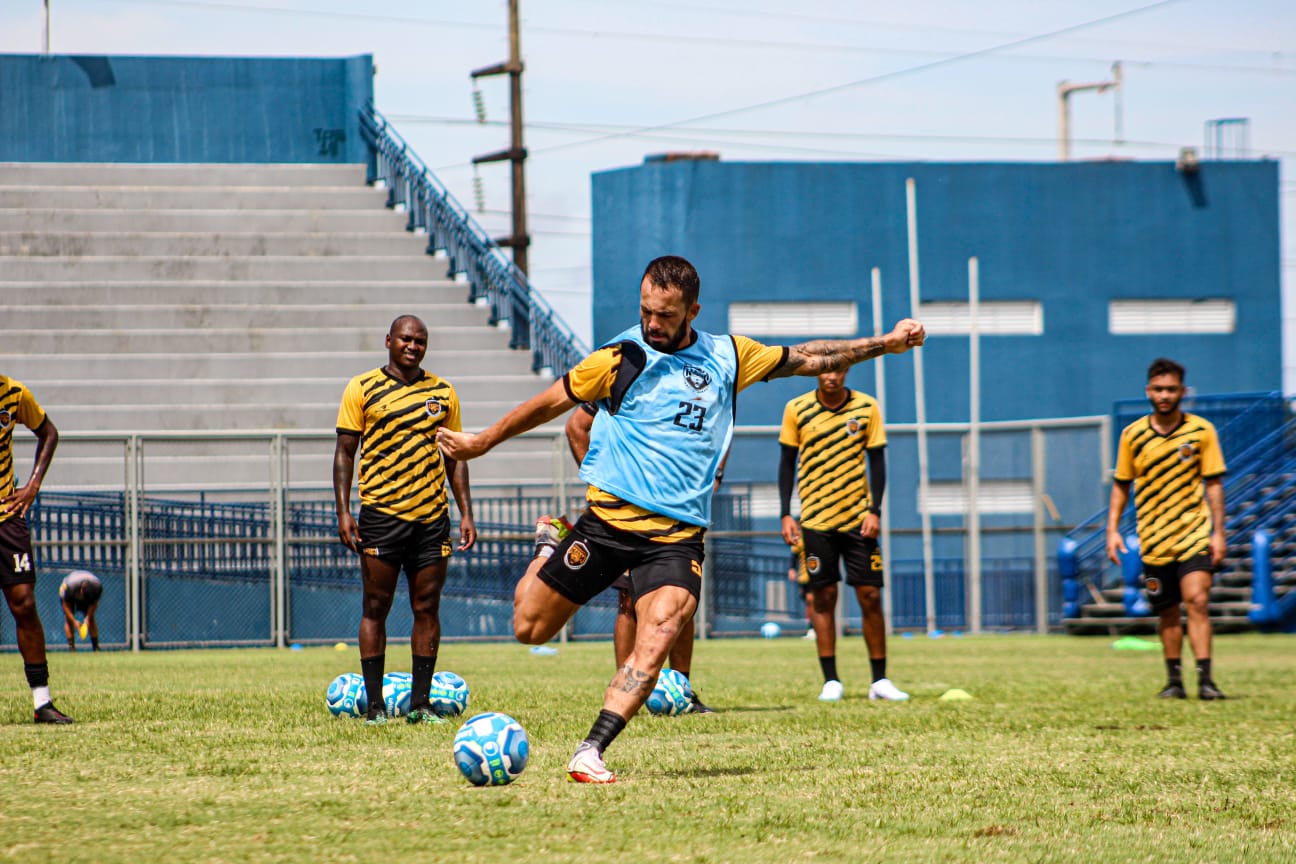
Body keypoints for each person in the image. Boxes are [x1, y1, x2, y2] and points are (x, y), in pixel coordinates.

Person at [437, 254, 925, 782]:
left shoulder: (729, 356)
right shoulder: (620, 356)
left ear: (692, 310)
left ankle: (591, 750)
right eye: (646, 310)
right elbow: (550, 403)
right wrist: (483, 440)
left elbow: (810, 356)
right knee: (529, 629)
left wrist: (887, 343)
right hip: (605, 527)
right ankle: (550, 544)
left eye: (665, 315)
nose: (652, 324)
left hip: (675, 540)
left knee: (661, 627)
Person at [333, 315, 477, 726]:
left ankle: (421, 705)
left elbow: (455, 457)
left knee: (427, 607)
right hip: (381, 515)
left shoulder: (443, 393)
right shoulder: (362, 388)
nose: (413, 346)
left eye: (421, 341)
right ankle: (375, 707)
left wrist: (465, 511)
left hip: (432, 518)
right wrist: (343, 509)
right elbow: (345, 452)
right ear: (389, 341)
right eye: (406, 339)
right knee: (375, 606)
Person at [565, 403, 715, 714]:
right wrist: (601, 484)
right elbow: (575, 427)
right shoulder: (621, 373)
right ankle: (626, 688)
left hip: (676, 513)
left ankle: (681, 689)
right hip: (626, 517)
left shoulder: (687, 380)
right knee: (627, 600)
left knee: (681, 599)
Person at [778, 370, 908, 703]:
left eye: (839, 369)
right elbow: (786, 464)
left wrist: (875, 510)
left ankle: (879, 680)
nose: (832, 375)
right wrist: (785, 513)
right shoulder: (797, 408)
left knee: (871, 597)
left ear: (847, 370)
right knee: (822, 598)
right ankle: (831, 681)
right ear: (816, 371)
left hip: (858, 521)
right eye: (826, 369)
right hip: (816, 521)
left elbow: (877, 462)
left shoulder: (866, 407)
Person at [1106, 358, 1227, 700]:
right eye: (1158, 389)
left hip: (1194, 534)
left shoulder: (1202, 432)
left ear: (1182, 392)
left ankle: (1206, 681)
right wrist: (1112, 530)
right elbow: (1121, 485)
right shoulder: (1133, 435)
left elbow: (1214, 483)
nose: (1164, 395)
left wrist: (1219, 532)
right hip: (1154, 539)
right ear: (1148, 391)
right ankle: (1174, 681)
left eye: (1171, 389)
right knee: (1168, 610)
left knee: (1198, 600)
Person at [0, 375, 74, 723]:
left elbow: (49, 432)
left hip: (6, 515)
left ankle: (42, 703)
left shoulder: (14, 393)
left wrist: (32, 485)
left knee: (24, 602)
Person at [60, 569, 103, 652]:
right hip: (69, 593)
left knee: (91, 619)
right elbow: (65, 606)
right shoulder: (70, 587)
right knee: (68, 619)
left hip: (84, 589)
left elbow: (94, 604)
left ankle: (96, 647)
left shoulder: (97, 587)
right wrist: (74, 621)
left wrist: (87, 617)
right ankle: (71, 647)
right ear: (81, 590)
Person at [787, 543, 814, 639]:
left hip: (818, 574)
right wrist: (792, 569)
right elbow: (794, 554)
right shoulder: (800, 538)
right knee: (809, 601)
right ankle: (812, 628)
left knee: (815, 600)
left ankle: (816, 628)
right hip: (805, 577)